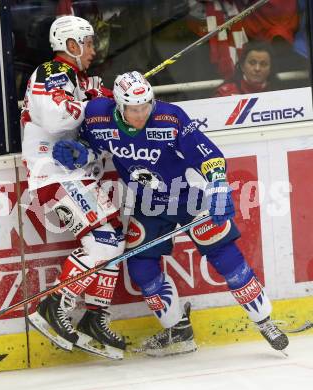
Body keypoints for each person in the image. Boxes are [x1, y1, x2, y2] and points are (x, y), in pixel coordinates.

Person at [52, 71, 289, 356]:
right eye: (134, 109)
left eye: (145, 106)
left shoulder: (170, 117)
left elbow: (208, 155)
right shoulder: (97, 116)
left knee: (225, 256)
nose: (141, 114)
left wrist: (218, 189)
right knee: (141, 268)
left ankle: (265, 321)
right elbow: (94, 149)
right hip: (148, 205)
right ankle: (178, 332)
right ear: (118, 105)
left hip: (188, 198)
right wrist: (80, 152)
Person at [21, 15, 126, 360]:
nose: (94, 49)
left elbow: (103, 113)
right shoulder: (53, 73)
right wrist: (93, 103)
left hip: (76, 175)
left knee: (113, 239)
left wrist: (106, 99)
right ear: (71, 44)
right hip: (54, 174)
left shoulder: (77, 79)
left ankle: (94, 316)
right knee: (104, 241)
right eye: (89, 42)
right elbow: (56, 118)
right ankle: (53, 305)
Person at [214, 41, 279, 97]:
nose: (257, 68)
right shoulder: (224, 95)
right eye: (252, 63)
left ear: (271, 68)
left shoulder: (281, 94)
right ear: (242, 66)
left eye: (263, 64)